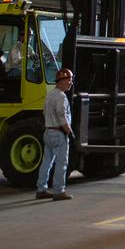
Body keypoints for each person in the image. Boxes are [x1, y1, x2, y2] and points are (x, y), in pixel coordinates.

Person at [36, 68, 75, 200]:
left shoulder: (50, 94)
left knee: (46, 162)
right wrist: (69, 131)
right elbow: (62, 116)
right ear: (62, 81)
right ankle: (59, 191)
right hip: (59, 133)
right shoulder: (61, 97)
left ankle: (41, 189)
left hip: (48, 132)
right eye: (69, 80)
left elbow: (44, 113)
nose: (71, 83)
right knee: (61, 163)